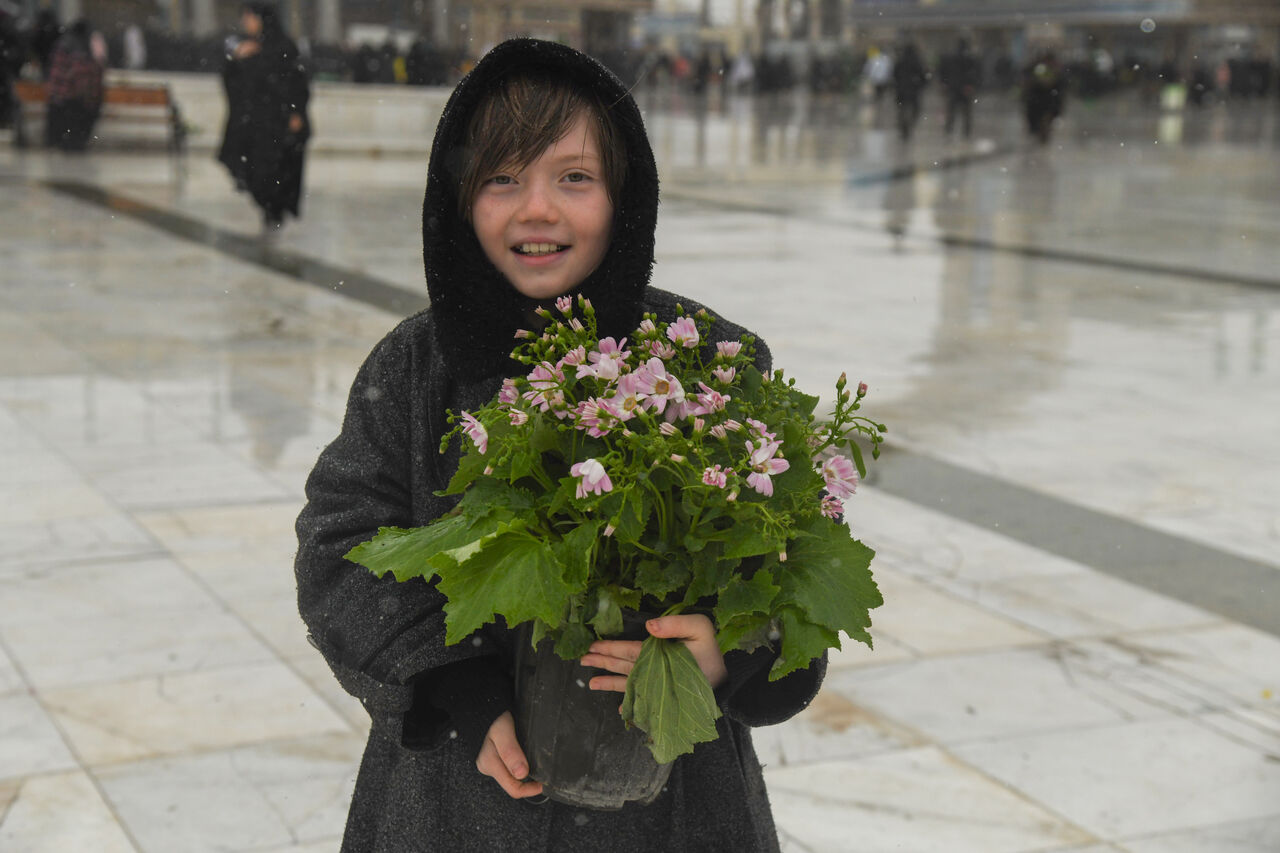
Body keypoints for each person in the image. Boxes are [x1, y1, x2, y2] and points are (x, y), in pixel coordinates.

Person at [294, 38, 825, 851]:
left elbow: (797, 568)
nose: (536, 209)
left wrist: (734, 651)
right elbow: (341, 544)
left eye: (573, 178)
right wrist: (457, 686)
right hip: (451, 805)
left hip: (677, 813)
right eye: (502, 179)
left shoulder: (709, 358)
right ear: (460, 200)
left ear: (623, 196)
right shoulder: (414, 367)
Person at [217, 2, 310, 233]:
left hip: (277, 124)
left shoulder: (282, 47)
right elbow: (236, 84)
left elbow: (296, 83)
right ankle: (270, 210)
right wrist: (237, 58)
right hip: (255, 125)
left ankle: (274, 211)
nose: (245, 22)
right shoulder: (248, 46)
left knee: (274, 171)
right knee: (255, 172)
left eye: (248, 16)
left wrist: (295, 111)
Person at [44, 19, 103, 151]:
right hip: (73, 96)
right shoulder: (80, 46)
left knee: (64, 125)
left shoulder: (63, 44)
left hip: (60, 95)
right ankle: (72, 144)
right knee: (75, 126)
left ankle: (62, 143)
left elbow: (57, 71)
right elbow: (81, 73)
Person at [938, 37, 980, 139]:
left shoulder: (951, 57)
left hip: (953, 87)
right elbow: (975, 73)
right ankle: (966, 131)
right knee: (966, 112)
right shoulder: (969, 58)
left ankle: (949, 129)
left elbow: (943, 71)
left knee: (952, 110)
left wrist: (944, 83)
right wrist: (971, 85)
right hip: (964, 88)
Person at [1023, 50, 1064, 145]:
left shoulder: (1049, 69)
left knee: (1043, 117)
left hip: (1045, 100)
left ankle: (1039, 135)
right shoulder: (1042, 69)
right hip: (1041, 100)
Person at [892, 41, 928, 140]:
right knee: (915, 109)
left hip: (901, 90)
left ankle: (903, 125)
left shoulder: (900, 61)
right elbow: (923, 76)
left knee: (902, 109)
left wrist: (897, 85)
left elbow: (894, 75)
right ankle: (908, 124)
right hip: (913, 90)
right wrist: (920, 85)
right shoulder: (917, 62)